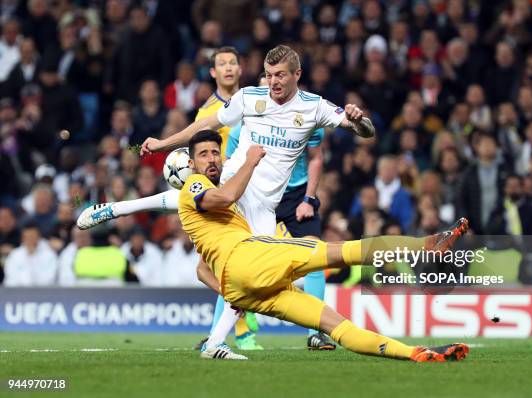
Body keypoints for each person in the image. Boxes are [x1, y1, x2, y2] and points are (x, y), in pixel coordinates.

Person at [80, 45, 376, 359]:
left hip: (263, 206)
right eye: (270, 75)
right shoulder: (249, 98)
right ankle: (115, 208)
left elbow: (365, 131)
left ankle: (214, 343)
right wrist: (164, 144)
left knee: (251, 283)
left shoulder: (314, 107)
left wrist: (358, 120)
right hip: (234, 180)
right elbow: (205, 125)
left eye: (281, 75)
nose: (273, 82)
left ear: (297, 75)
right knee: (193, 201)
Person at [180, 130, 470, 362]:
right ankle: (425, 245)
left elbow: (201, 268)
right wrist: (251, 161)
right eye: (203, 154)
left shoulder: (213, 218)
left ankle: (413, 353)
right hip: (251, 258)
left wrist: (229, 292)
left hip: (245, 289)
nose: (212, 159)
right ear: (191, 164)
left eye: (215, 152)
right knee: (339, 251)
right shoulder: (193, 185)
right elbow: (225, 197)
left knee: (335, 324)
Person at [222, 73, 333, 350]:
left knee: (316, 254)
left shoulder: (307, 117)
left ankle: (316, 332)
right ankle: (217, 334)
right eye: (262, 90)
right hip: (256, 195)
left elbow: (316, 158)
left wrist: (309, 198)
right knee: (234, 262)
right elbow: (230, 167)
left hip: (296, 194)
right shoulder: (241, 130)